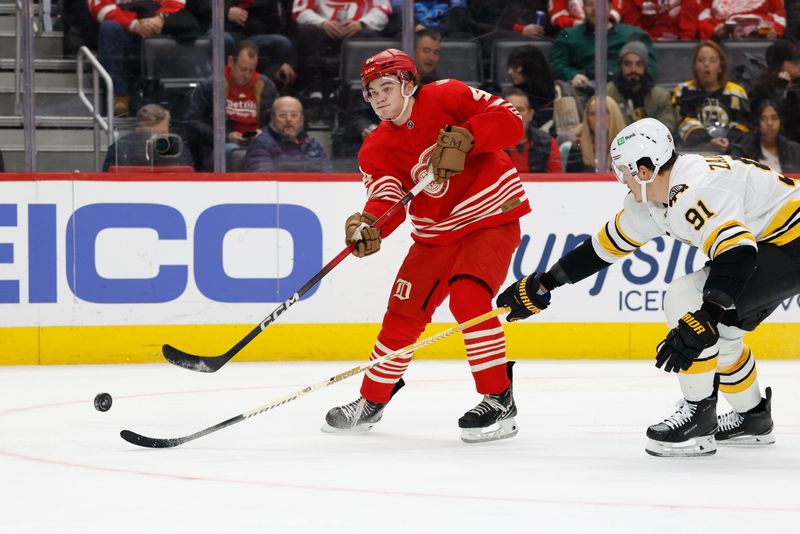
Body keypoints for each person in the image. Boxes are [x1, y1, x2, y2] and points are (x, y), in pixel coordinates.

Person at [498, 117, 798, 457]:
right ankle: (753, 418)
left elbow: (739, 252)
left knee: (686, 298)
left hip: (790, 243)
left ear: (644, 169)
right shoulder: (653, 196)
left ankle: (699, 417)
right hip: (777, 242)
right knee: (722, 336)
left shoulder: (694, 190)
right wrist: (546, 283)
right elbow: (605, 246)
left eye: (623, 171)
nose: (620, 180)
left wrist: (708, 312)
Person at [323, 48, 531, 443]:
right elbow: (388, 198)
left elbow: (511, 121)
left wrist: (469, 136)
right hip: (435, 236)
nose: (379, 97)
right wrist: (370, 225)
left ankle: (498, 398)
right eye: (371, 91)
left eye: (387, 87)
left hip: (489, 216)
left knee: (468, 298)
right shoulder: (375, 149)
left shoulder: (447, 95)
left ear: (408, 84)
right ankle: (371, 400)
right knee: (403, 313)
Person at [90, 0, 200, 116]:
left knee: (182, 31)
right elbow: (100, 8)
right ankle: (120, 96)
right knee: (109, 28)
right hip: (124, 26)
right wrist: (134, 24)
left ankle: (170, 102)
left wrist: (161, 19)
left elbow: (176, 3)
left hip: (160, 23)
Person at [185, 40, 278, 171]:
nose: (247, 75)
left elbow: (277, 119)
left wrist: (263, 132)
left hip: (258, 145)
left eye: (251, 70)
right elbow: (193, 122)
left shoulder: (266, 86)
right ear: (230, 61)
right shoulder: (211, 85)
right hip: (220, 148)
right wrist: (226, 136)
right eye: (243, 69)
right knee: (235, 152)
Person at [549, 0, 656, 91]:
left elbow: (649, 69)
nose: (595, 9)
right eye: (590, 4)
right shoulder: (568, 35)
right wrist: (572, 75)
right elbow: (556, 64)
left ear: (610, 7)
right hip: (584, 91)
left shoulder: (634, 34)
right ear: (583, 7)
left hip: (626, 91)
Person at [292, 0, 391, 87]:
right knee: (307, 32)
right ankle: (314, 89)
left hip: (357, 33)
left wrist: (362, 23)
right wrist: (322, 23)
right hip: (323, 32)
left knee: (368, 36)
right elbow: (300, 11)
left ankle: (363, 90)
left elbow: (382, 10)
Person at [672, 40, 749, 150]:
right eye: (701, 60)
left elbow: (743, 123)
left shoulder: (736, 92)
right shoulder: (684, 90)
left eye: (713, 60)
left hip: (730, 151)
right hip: (693, 152)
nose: (706, 64)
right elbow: (683, 122)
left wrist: (728, 139)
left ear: (721, 67)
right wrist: (708, 140)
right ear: (695, 66)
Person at [244, 96, 333, 172]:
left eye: (294, 115)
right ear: (273, 119)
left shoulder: (312, 145)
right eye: (282, 115)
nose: (288, 119)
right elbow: (265, 183)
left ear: (301, 120)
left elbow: (330, 180)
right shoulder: (261, 144)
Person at [607, 40, 676, 132]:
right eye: (627, 64)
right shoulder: (607, 94)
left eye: (639, 64)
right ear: (620, 66)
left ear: (645, 67)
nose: (633, 69)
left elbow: (667, 127)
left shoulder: (660, 96)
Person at [103, 104, 194, 171]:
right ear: (137, 131)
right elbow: (109, 182)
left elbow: (189, 177)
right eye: (151, 134)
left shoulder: (176, 147)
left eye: (163, 133)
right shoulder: (120, 148)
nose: (158, 139)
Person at [748, 39, 800, 144]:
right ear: (779, 64)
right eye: (794, 62)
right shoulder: (762, 88)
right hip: (771, 143)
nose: (799, 65)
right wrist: (781, 90)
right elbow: (759, 117)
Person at [729, 100, 800, 174]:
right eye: (764, 119)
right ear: (758, 122)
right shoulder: (745, 151)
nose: (770, 123)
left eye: (774, 118)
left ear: (781, 121)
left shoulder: (795, 150)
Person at [503, 88, 562, 173]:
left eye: (520, 110)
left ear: (530, 114)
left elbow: (556, 180)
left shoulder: (548, 143)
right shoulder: (489, 145)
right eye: (510, 109)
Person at [564, 95, 627, 172]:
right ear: (587, 119)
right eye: (592, 114)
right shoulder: (578, 148)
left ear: (614, 116)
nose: (598, 118)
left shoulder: (628, 146)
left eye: (603, 113)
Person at [507, 44, 557, 132]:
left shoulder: (556, 94)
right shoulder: (512, 95)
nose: (510, 72)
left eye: (517, 67)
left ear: (530, 68)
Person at [698, 0, 786, 40]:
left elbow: (779, 16)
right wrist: (714, 30)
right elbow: (702, 16)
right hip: (722, 42)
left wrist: (774, 31)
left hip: (761, 41)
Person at [620, 0, 699, 40]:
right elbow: (632, 32)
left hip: (677, 52)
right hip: (644, 50)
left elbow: (688, 35)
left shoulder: (688, 2)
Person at [549, 0, 622, 30]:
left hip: (608, 29)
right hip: (573, 31)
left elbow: (615, 12)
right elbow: (556, 16)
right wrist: (575, 23)